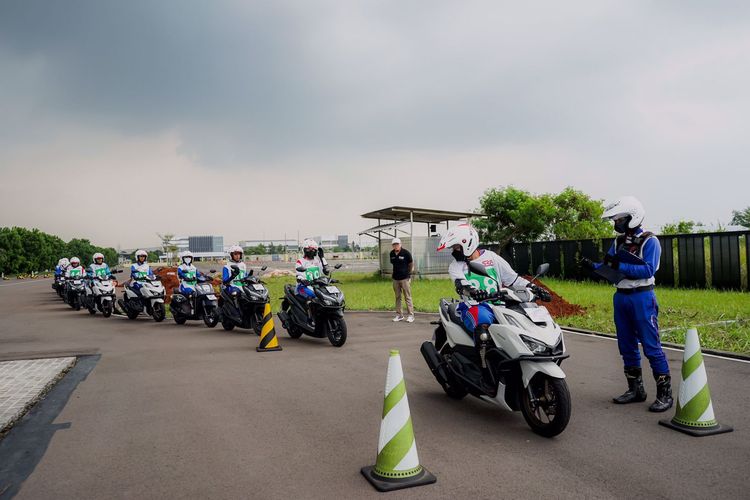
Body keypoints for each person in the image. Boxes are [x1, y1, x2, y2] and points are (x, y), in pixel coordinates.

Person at [581, 196, 673, 412]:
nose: (616, 223)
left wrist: (618, 264)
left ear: (633, 216)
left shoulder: (651, 241)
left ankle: (664, 394)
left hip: (642, 296)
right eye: (615, 219)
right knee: (626, 344)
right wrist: (594, 266)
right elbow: (611, 267)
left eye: (620, 218)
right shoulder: (619, 242)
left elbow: (648, 270)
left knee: (651, 345)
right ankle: (635, 389)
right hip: (621, 296)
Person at [437, 224, 547, 390]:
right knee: (483, 328)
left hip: (500, 304)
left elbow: (513, 280)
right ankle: (484, 371)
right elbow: (461, 284)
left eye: (456, 247)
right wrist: (472, 291)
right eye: (453, 247)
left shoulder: (492, 257)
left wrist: (536, 288)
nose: (454, 251)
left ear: (467, 244)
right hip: (473, 306)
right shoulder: (456, 266)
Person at [390, 237, 415, 323]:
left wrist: (409, 274)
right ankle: (399, 315)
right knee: (397, 297)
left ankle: (411, 315)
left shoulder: (406, 253)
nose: (396, 246)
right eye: (394, 244)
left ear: (400, 244)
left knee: (407, 297)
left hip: (405, 279)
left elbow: (411, 264)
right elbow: (394, 264)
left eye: (397, 244)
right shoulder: (392, 254)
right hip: (395, 279)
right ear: (392, 246)